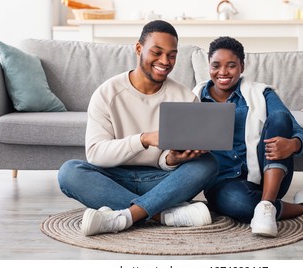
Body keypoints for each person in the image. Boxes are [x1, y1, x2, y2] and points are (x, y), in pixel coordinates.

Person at [58, 20, 218, 236]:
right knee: (69, 172)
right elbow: (95, 155)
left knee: (208, 164)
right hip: (113, 178)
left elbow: (166, 159)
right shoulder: (107, 93)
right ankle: (162, 215)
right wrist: (143, 139)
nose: (165, 61)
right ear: (138, 48)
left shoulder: (185, 98)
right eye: (157, 52)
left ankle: (126, 215)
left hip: (159, 182)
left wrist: (173, 160)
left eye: (172, 55)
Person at [193, 36, 303, 238]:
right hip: (222, 183)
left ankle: (267, 205)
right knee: (241, 205)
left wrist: (293, 144)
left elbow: (296, 129)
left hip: (266, 175)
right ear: (209, 66)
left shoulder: (262, 93)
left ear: (242, 66)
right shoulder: (195, 98)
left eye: (231, 65)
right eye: (216, 65)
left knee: (279, 117)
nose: (223, 72)